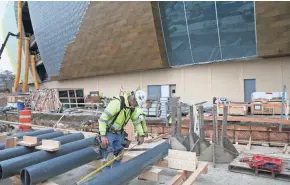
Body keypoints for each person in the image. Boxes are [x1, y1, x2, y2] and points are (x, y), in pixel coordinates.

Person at [98, 90, 147, 170]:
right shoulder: (117, 103)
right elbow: (103, 119)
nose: (136, 106)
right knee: (108, 157)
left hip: (119, 133)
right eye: (136, 104)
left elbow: (137, 122)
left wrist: (141, 134)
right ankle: (107, 178)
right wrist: (103, 135)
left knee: (119, 155)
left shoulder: (132, 108)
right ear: (133, 99)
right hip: (108, 132)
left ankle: (117, 175)